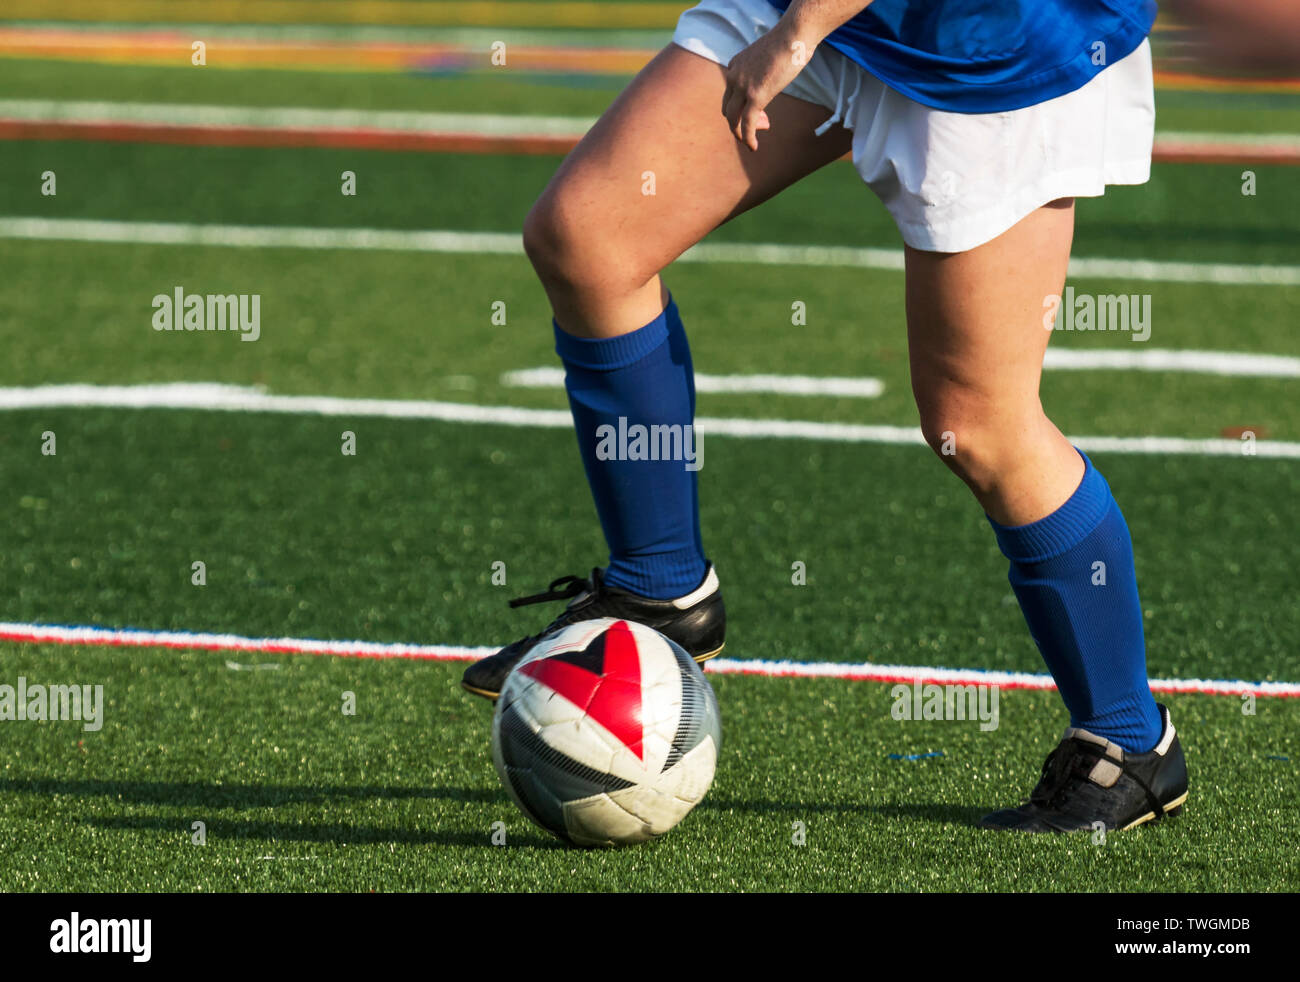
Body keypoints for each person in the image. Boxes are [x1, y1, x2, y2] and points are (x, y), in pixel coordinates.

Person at [462, 0, 1188, 833]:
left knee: (979, 425)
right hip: (834, 17)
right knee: (589, 238)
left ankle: (1129, 740)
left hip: (988, 44)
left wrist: (801, 32)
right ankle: (658, 588)